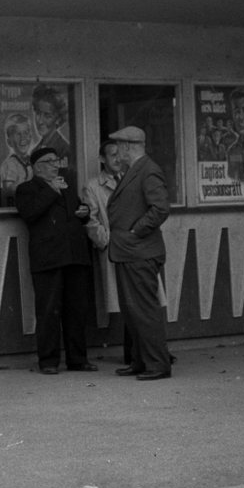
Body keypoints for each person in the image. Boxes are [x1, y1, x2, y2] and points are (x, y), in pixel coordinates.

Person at [14, 146, 96, 375]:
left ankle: (77, 360)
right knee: (48, 311)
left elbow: (79, 211)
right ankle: (48, 361)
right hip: (48, 258)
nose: (55, 165)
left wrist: (84, 212)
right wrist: (51, 190)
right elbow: (30, 213)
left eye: (56, 161)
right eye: (49, 161)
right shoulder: (26, 189)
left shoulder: (65, 187)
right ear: (37, 167)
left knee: (77, 311)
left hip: (74, 256)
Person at [106, 125, 172, 380]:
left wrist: (137, 231)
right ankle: (141, 361)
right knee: (133, 312)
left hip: (139, 251)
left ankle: (157, 364)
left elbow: (160, 208)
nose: (117, 152)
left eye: (118, 147)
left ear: (127, 147)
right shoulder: (136, 170)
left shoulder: (147, 170)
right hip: (130, 252)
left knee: (144, 311)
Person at [31, 85, 70, 162]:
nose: (40, 121)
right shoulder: (35, 151)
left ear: (58, 119)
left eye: (47, 116)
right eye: (38, 113)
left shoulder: (64, 150)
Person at [0, 113, 35, 199]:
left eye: (26, 133)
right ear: (9, 142)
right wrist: (30, 190)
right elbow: (8, 188)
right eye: (18, 134)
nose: (23, 138)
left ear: (30, 137)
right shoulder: (10, 164)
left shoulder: (32, 160)